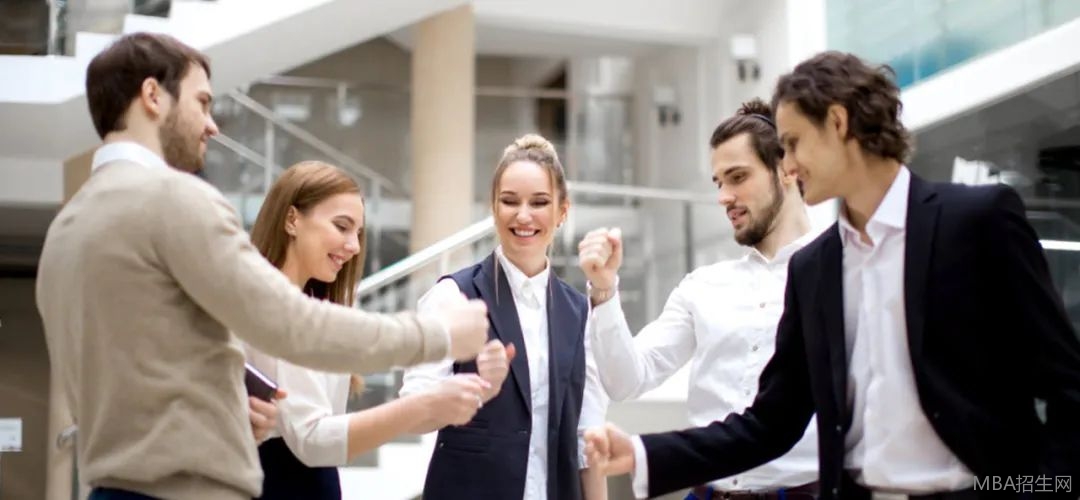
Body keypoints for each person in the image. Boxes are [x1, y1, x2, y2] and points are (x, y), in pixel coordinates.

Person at [585, 51, 1080, 500]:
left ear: (838, 122)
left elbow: (1067, 385)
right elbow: (771, 422)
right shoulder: (815, 268)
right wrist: (644, 455)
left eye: (793, 143)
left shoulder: (977, 220)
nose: (789, 163)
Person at [35, 32, 489, 500]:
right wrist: (438, 335)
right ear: (153, 95)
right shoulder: (175, 199)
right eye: (202, 102)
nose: (212, 126)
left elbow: (132, 385)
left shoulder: (66, 230)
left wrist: (229, 416)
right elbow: (292, 323)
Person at [577, 99, 819, 500]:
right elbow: (625, 380)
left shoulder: (836, 274)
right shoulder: (703, 286)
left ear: (786, 170)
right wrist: (604, 290)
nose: (724, 196)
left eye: (737, 177)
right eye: (718, 182)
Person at [244, 161, 507, 500]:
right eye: (342, 226)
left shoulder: (308, 307)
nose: (354, 246)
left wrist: (468, 391)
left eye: (358, 233)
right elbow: (313, 440)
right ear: (292, 219)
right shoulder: (272, 309)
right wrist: (427, 403)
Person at [400, 134, 609, 500]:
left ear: (562, 211)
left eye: (539, 202)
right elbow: (411, 413)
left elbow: (587, 440)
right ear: (493, 208)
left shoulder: (580, 313)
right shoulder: (452, 296)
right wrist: (473, 390)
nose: (523, 215)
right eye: (510, 201)